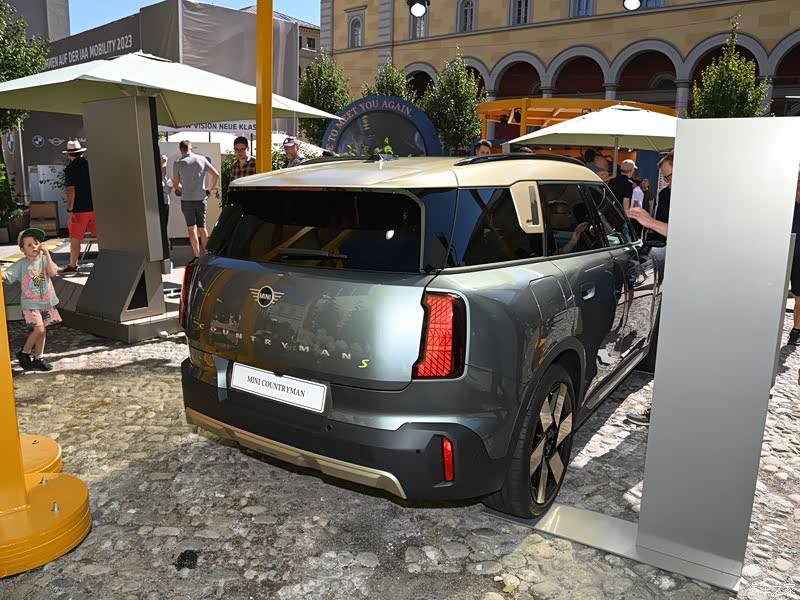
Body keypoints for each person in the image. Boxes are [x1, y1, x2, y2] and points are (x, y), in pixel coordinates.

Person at [625, 153, 674, 426]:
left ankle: (663, 412)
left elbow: (687, 233)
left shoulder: (694, 198)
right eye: (665, 178)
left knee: (674, 349)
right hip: (686, 280)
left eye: (669, 176)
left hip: (693, 285)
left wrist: (648, 221)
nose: (667, 182)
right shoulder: (671, 195)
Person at [1, 229, 60, 371]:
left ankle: (39, 358)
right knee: (39, 329)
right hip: (30, 304)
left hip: (46, 302)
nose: (33, 246)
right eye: (28, 245)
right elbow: (6, 275)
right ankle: (25, 352)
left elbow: (52, 272)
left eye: (36, 243)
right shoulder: (21, 264)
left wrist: (47, 254)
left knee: (42, 331)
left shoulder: (44, 260)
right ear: (22, 250)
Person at [172, 140, 220, 258]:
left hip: (187, 200)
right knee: (202, 228)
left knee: (191, 229)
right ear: (191, 148)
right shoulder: (202, 159)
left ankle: (197, 257)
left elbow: (176, 184)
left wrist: (184, 189)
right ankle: (208, 256)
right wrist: (209, 189)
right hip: (201, 198)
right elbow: (216, 175)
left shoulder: (178, 163)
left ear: (181, 150)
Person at [61, 140, 96, 273]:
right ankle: (109, 262)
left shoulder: (70, 169)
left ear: (69, 154)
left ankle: (73, 265)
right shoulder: (91, 166)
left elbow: (71, 190)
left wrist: (70, 210)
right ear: (82, 153)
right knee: (103, 237)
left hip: (79, 210)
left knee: (75, 238)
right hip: (96, 208)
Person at [787, 173, 800, 346]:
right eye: (797, 181)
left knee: (799, 296)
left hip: (799, 257)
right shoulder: (786, 203)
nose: (798, 185)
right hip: (781, 254)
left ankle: (796, 329)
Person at [160, 155, 173, 254]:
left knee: (163, 226)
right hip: (162, 203)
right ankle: (164, 248)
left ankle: (165, 247)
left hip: (165, 203)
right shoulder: (160, 174)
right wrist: (164, 162)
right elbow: (162, 175)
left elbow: (169, 189)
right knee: (162, 226)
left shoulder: (165, 177)